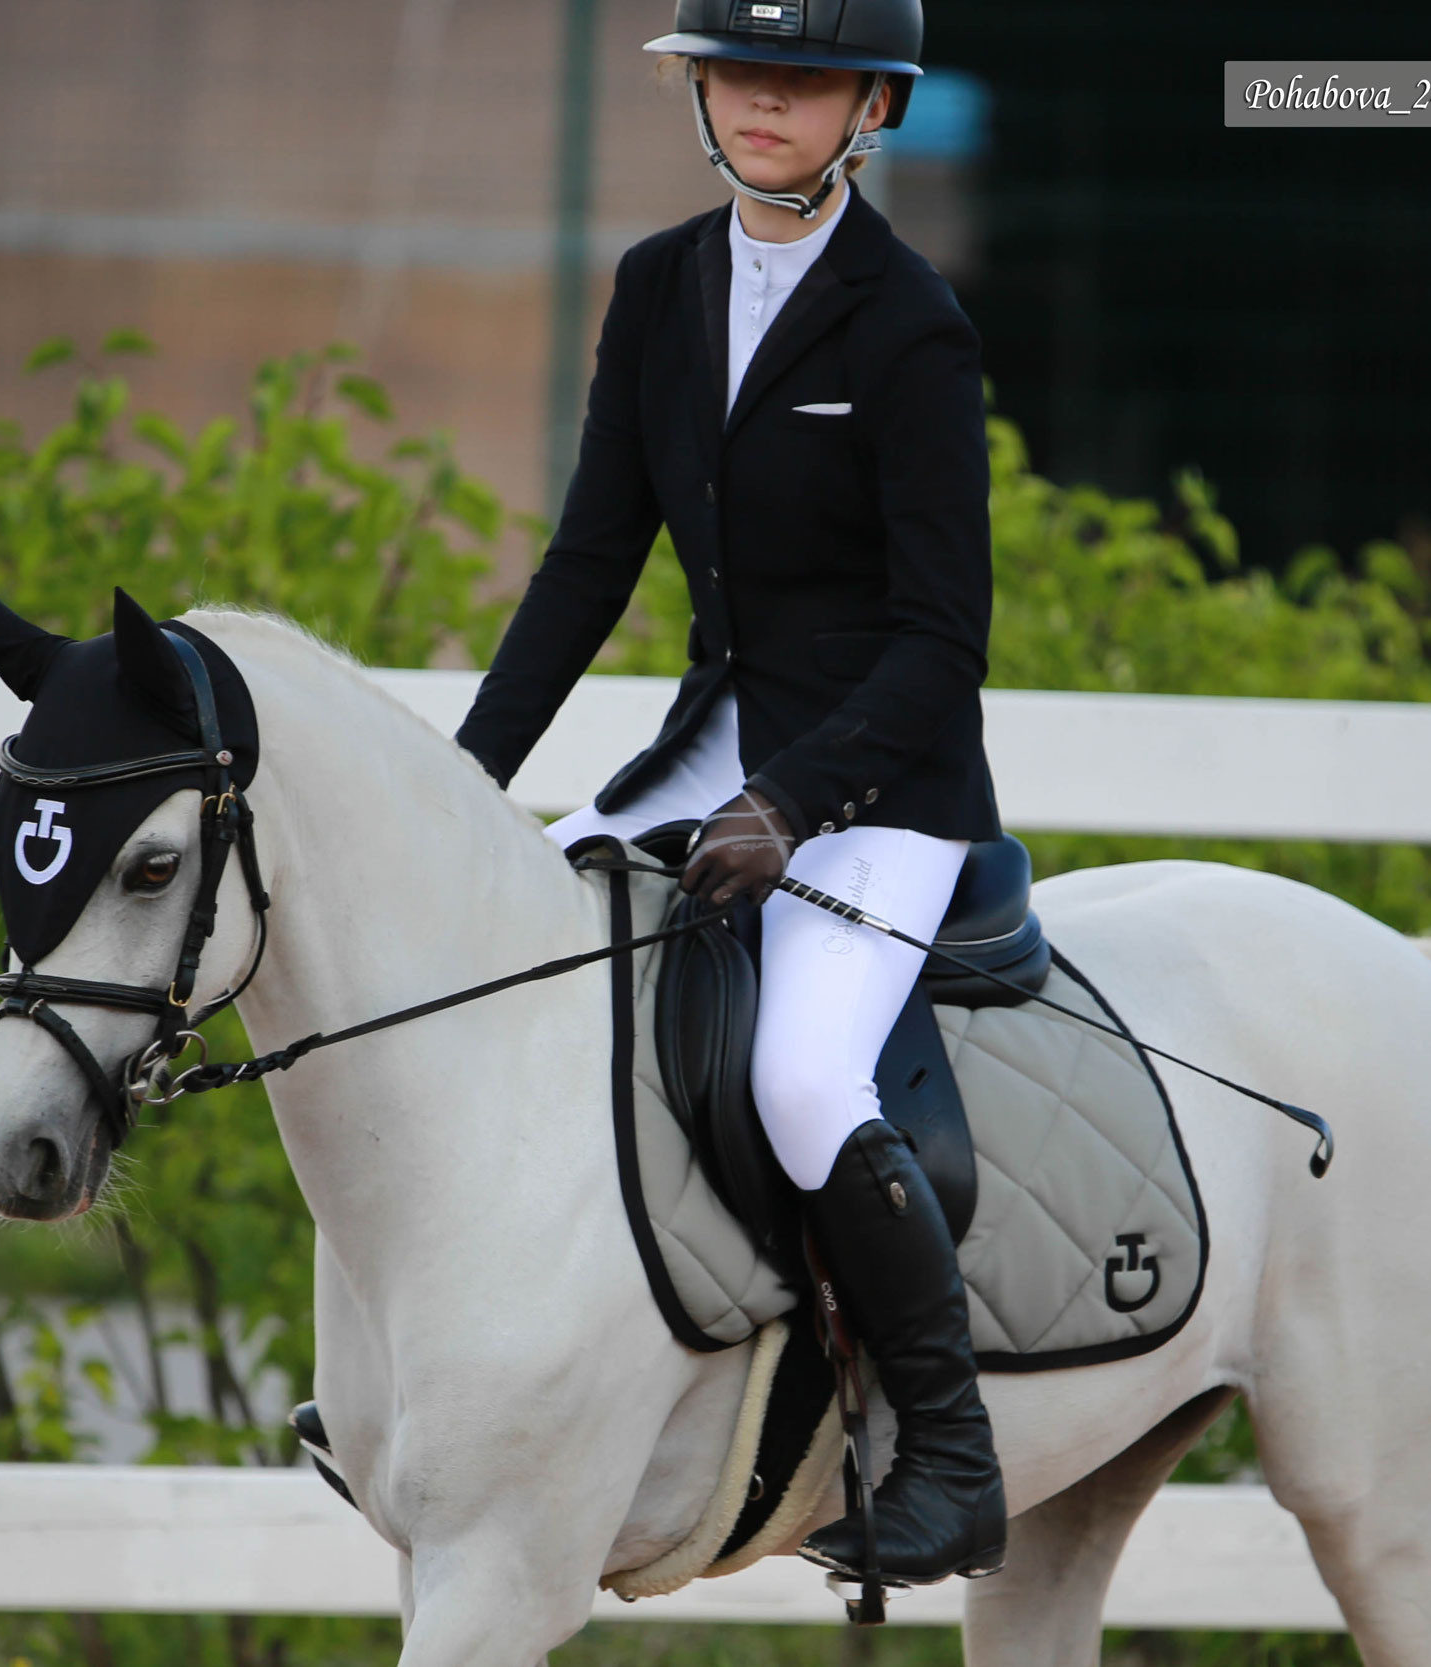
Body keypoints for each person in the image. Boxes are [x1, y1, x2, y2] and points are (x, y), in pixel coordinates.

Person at [452, 0, 1007, 1587]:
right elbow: (586, 564)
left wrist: (801, 802)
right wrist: (465, 782)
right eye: (738, 68)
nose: (765, 98)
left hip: (882, 786)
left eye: (806, 76)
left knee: (804, 1078)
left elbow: (942, 643)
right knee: (492, 968)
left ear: (872, 109)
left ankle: (949, 1460)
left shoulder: (912, 325)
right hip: (711, 748)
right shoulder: (660, 282)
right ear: (698, 85)